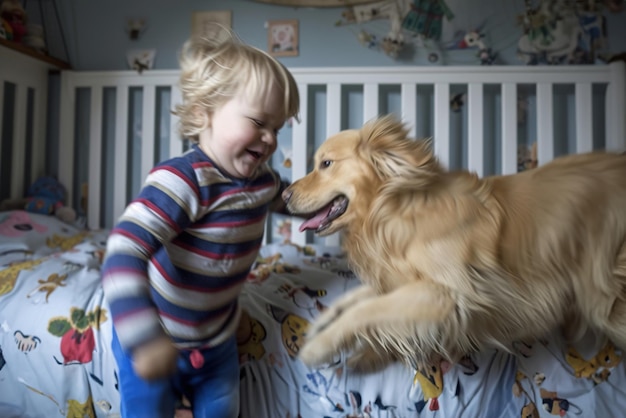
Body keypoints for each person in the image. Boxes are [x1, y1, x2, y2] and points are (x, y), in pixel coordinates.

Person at [101, 32, 300, 418]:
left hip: (217, 339)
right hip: (156, 338)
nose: (271, 138)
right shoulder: (182, 180)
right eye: (260, 122)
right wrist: (143, 338)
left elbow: (292, 201)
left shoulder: (263, 181)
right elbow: (123, 252)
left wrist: (341, 202)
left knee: (223, 410)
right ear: (204, 113)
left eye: (279, 127)